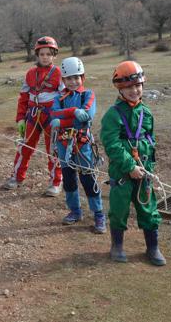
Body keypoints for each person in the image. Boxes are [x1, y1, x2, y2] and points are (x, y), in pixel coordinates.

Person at [100, 61, 165, 266]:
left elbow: (150, 140)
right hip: (122, 173)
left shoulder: (146, 113)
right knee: (119, 209)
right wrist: (130, 167)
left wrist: (148, 168)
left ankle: (152, 247)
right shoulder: (113, 115)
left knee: (148, 209)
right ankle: (117, 245)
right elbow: (112, 145)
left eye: (138, 86)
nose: (134, 90)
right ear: (120, 88)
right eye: (129, 87)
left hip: (144, 171)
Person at [50, 57, 106, 232]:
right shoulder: (59, 97)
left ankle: (98, 214)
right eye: (69, 78)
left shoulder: (88, 95)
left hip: (83, 145)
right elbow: (53, 114)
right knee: (69, 180)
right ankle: (75, 211)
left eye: (77, 77)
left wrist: (63, 121)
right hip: (63, 145)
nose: (73, 82)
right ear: (63, 80)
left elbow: (88, 115)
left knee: (88, 179)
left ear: (82, 77)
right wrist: (74, 111)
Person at [3, 36, 63, 196]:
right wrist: (20, 118)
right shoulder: (30, 73)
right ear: (37, 55)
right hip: (32, 115)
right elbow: (23, 97)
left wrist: (62, 118)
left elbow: (64, 96)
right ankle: (17, 177)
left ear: (54, 55)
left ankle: (55, 182)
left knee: (54, 149)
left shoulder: (59, 73)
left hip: (52, 117)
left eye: (49, 54)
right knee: (25, 147)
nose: (45, 57)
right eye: (42, 54)